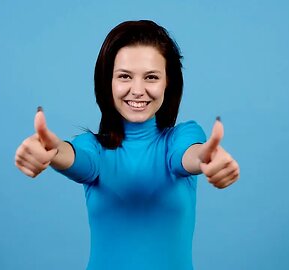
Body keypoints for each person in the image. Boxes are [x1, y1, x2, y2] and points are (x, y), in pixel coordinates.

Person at [15, 20, 240, 270]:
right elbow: (75, 158)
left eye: (151, 77)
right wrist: (51, 150)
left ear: (168, 83)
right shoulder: (94, 149)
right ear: (107, 82)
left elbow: (189, 155)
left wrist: (208, 158)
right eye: (124, 76)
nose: (137, 90)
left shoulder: (181, 138)